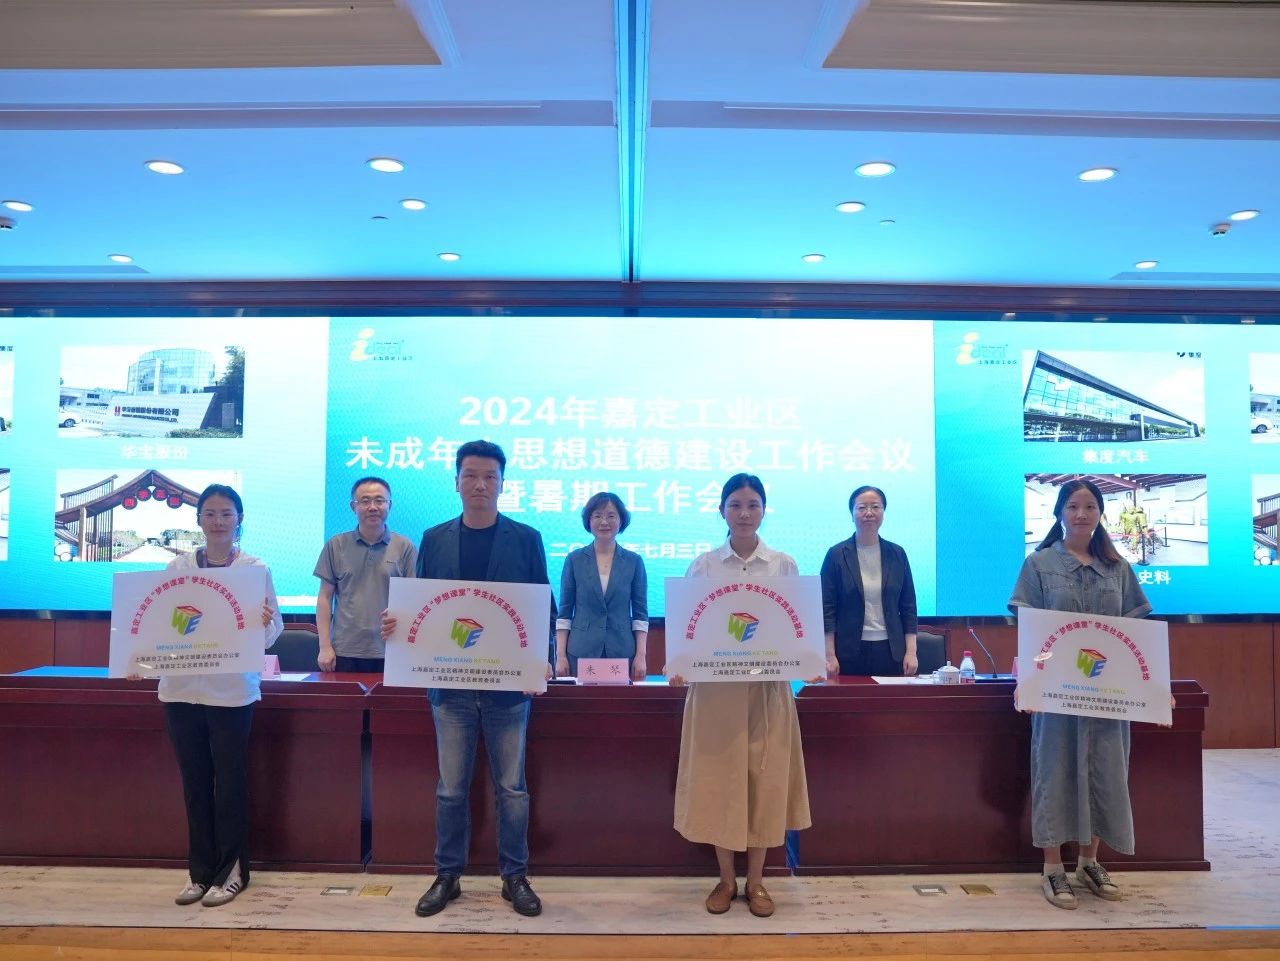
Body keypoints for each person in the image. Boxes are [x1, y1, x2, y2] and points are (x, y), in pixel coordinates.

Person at [387, 440, 554, 919]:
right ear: (456, 481)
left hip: (509, 688)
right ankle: (447, 875)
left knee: (512, 789)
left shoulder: (526, 538)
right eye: (470, 476)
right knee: (450, 789)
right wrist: (397, 625)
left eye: (489, 477)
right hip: (451, 687)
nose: (480, 485)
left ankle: (514, 876)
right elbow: (423, 605)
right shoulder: (435, 538)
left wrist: (542, 661)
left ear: (502, 483)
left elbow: (542, 603)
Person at [667, 473, 815, 919]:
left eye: (753, 505)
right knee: (721, 782)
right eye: (735, 505)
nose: (744, 513)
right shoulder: (704, 566)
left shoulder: (783, 565)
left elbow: (798, 627)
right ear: (722, 511)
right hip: (716, 693)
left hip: (768, 691)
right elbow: (686, 628)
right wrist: (678, 665)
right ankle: (726, 880)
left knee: (764, 782)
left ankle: (757, 881)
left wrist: (810, 660)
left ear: (764, 510)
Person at [1008, 478, 1152, 911]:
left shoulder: (1117, 567)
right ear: (1059, 513)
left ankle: (1090, 862)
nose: (1081, 514)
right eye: (1073, 506)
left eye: (1090, 506)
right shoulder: (1039, 565)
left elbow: (1136, 630)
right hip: (1057, 691)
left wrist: (1154, 686)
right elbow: (1028, 628)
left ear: (1100, 514)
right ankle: (1053, 868)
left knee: (1106, 772)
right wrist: (1029, 681)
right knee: (1053, 771)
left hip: (1107, 692)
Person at [163, 483, 283, 908]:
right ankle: (199, 872)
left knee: (229, 783)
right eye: (210, 513)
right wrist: (138, 660)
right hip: (180, 691)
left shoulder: (253, 568)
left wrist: (263, 622)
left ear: (239, 519)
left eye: (226, 514)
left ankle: (232, 872)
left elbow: (273, 632)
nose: (218, 521)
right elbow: (159, 624)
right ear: (198, 519)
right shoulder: (178, 566)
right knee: (194, 784)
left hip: (231, 692)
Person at [314, 476, 417, 672]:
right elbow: (325, 597)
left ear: (389, 505)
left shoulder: (405, 547)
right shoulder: (336, 545)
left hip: (392, 648)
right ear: (353, 506)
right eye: (365, 501)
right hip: (344, 651)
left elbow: (414, 599)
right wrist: (324, 646)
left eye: (379, 500)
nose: (373, 507)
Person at [820, 485, 919, 677]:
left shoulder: (897, 554)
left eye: (875, 507)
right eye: (861, 507)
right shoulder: (836, 555)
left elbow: (909, 606)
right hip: (848, 651)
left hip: (892, 651)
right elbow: (826, 608)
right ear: (852, 514)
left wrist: (911, 652)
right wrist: (829, 655)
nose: (869, 513)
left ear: (883, 512)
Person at [555, 491, 649, 681]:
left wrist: (641, 656)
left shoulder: (634, 561)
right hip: (580, 652)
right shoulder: (574, 559)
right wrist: (560, 656)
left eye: (611, 516)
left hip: (621, 652)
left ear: (621, 521)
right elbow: (564, 614)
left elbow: (640, 615)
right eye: (597, 516)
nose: (604, 522)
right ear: (588, 521)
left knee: (616, 701)